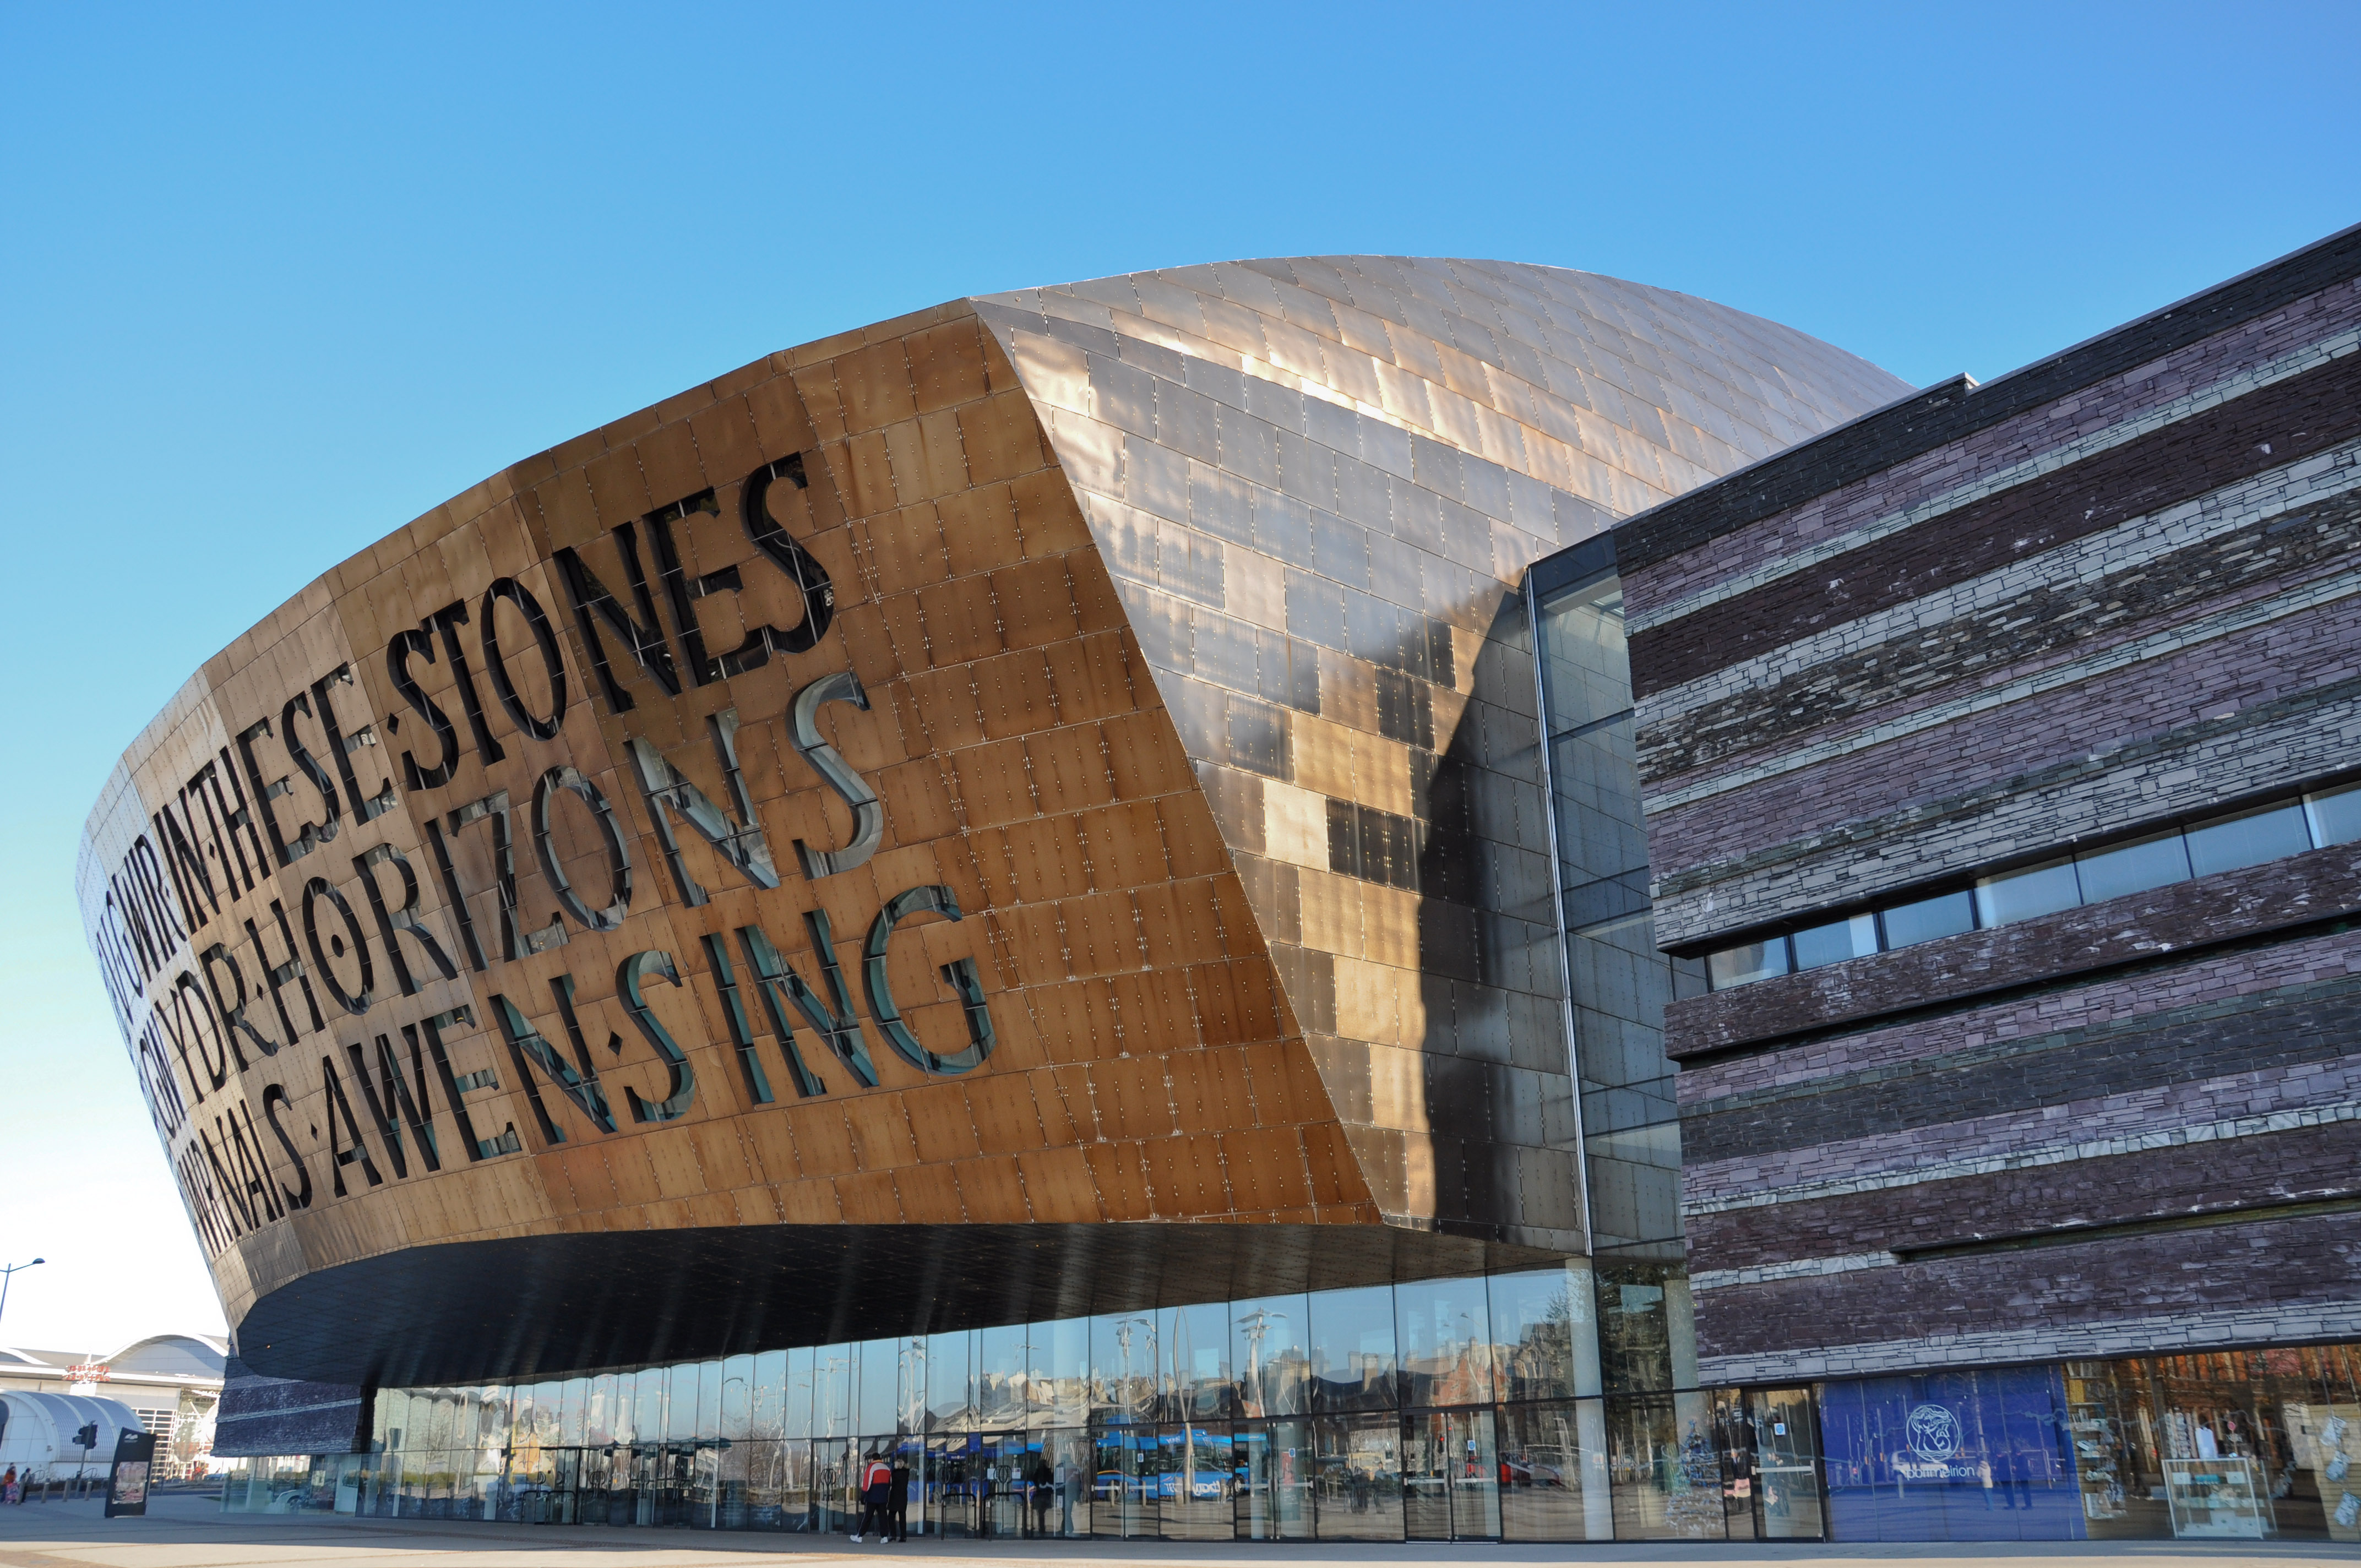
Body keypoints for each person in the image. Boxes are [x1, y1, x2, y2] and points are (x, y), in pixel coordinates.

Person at [851, 1451, 891, 1542]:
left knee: (867, 1517)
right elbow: (889, 1484)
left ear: (873, 1459)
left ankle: (860, 1536)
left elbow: (867, 1483)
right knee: (883, 1517)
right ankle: (884, 1537)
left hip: (872, 1497)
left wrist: (863, 1495)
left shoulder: (871, 1467)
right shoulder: (887, 1468)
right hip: (883, 1498)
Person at [887, 1456, 910, 1543]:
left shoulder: (895, 1473)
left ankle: (893, 1535)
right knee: (902, 1517)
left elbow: (890, 1483)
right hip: (903, 1497)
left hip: (895, 1497)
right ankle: (903, 1536)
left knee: (891, 1516)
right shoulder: (906, 1473)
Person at [1030, 1459, 1053, 1538]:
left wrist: (1038, 1486)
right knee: (1043, 1512)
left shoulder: (1037, 1472)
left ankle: (1042, 1528)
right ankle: (1042, 1528)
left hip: (1039, 1494)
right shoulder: (1049, 1472)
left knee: (1040, 1513)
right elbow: (1052, 1481)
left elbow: (1034, 1479)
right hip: (1047, 1494)